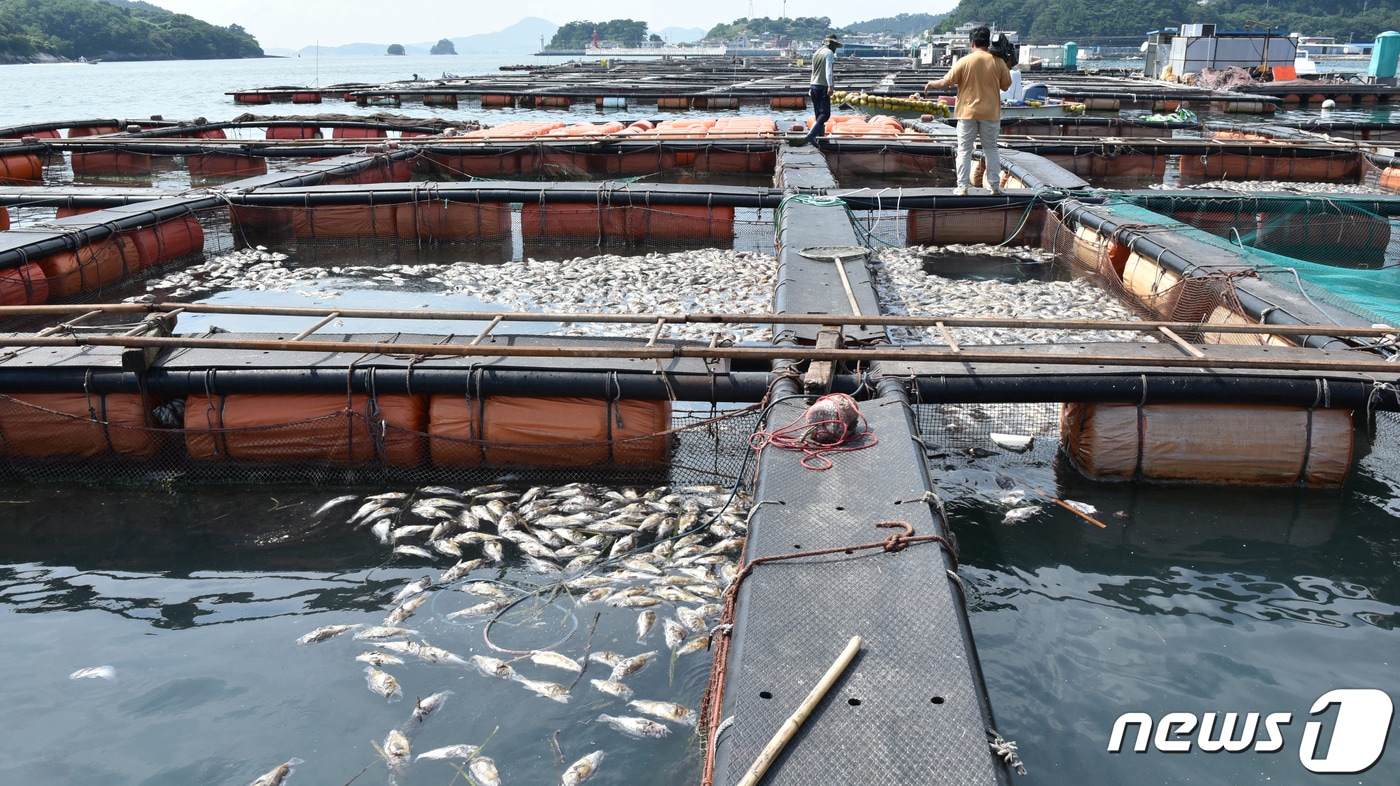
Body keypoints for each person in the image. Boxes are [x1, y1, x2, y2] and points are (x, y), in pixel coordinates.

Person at [924, 26, 1012, 195]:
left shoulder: (964, 61)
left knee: (964, 150)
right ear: (988, 43)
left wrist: (930, 83)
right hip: (990, 113)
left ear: (972, 43)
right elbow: (1006, 86)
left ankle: (963, 186)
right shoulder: (998, 61)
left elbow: (945, 82)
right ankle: (994, 186)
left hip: (967, 113)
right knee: (991, 149)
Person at [805, 34, 841, 146]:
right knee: (825, 114)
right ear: (831, 44)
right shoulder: (829, 53)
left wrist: (810, 86)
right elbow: (828, 71)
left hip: (814, 85)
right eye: (834, 45)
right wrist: (830, 86)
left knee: (818, 113)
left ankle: (820, 139)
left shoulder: (816, 53)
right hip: (822, 86)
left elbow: (813, 71)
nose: (835, 48)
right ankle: (812, 135)